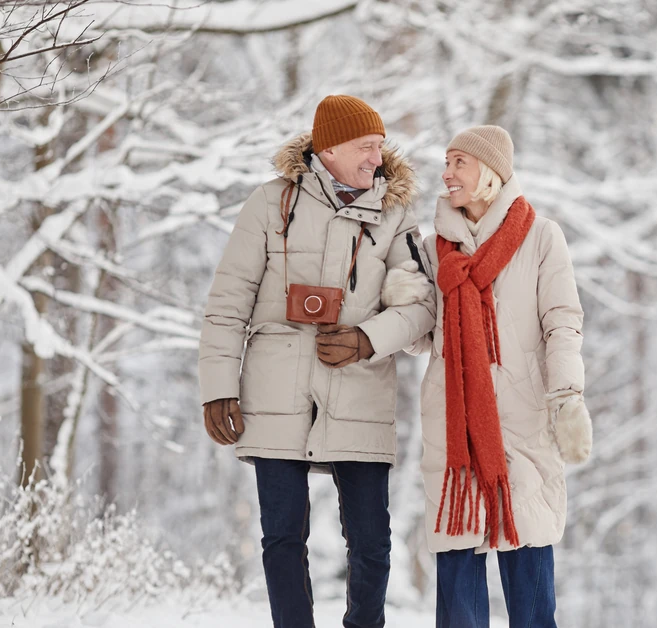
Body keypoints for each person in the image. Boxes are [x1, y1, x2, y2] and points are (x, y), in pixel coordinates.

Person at [197, 95, 435, 628]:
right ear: (328, 148)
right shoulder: (269, 203)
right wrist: (218, 387)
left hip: (360, 389)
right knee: (282, 536)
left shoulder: (394, 214)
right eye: (366, 146)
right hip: (276, 391)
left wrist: (367, 339)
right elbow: (228, 299)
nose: (378, 156)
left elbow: (422, 306)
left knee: (372, 541)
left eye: (380, 146)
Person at [385, 125, 592, 627]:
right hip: (454, 431)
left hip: (521, 428)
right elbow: (419, 338)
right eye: (447, 162)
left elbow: (562, 321)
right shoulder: (432, 250)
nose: (447, 173)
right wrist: (401, 291)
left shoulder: (541, 237)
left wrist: (567, 396)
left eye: (460, 163)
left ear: (492, 175)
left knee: (531, 600)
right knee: (458, 605)